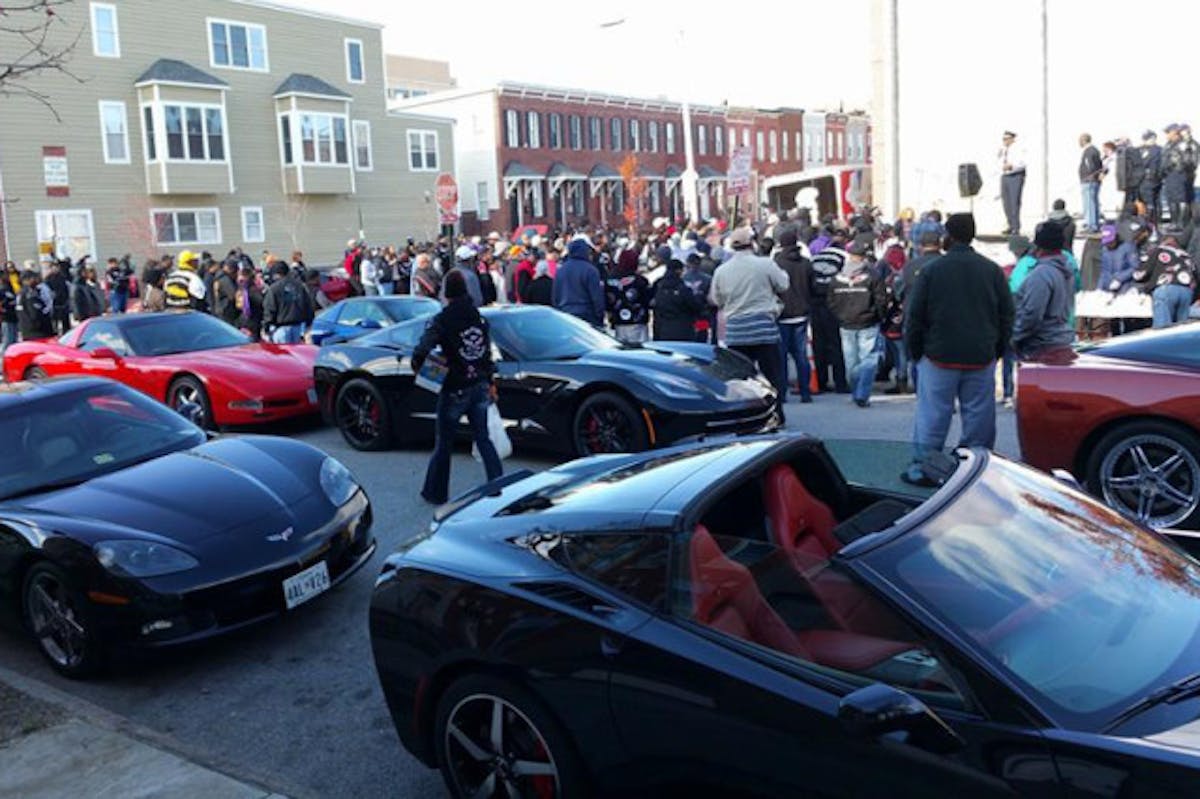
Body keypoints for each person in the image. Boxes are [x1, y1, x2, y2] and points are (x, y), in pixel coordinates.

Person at [903, 213, 1013, 486]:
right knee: (979, 417)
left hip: (939, 354)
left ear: (947, 237)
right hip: (980, 354)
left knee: (933, 415)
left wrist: (914, 351)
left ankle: (925, 468)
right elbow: (1007, 314)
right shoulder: (991, 270)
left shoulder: (932, 270)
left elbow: (915, 316)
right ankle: (976, 468)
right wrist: (996, 348)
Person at [411, 269, 503, 506]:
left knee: (444, 443)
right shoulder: (478, 317)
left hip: (455, 387)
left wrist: (426, 370)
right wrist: (491, 381)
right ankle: (499, 486)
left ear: (446, 293)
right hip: (480, 383)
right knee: (484, 438)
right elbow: (486, 354)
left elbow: (422, 350)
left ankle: (435, 493)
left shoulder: (442, 320)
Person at [709, 227, 789, 421]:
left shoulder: (722, 270)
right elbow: (784, 284)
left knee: (741, 378)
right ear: (752, 243)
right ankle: (775, 412)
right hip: (763, 326)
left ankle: (745, 415)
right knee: (772, 375)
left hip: (736, 328)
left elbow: (716, 299)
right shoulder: (764, 264)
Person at [828, 240, 886, 407]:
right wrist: (878, 316)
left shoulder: (837, 277)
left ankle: (856, 392)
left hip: (846, 323)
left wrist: (839, 315)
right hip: (868, 322)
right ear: (864, 258)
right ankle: (862, 393)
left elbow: (831, 300)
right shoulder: (873, 276)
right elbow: (881, 299)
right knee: (869, 360)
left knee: (851, 362)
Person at [1012, 223, 1077, 359]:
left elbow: (1032, 314)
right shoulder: (1067, 270)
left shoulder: (1041, 274)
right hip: (1062, 342)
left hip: (1041, 348)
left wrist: (1014, 337)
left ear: (1038, 246)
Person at [773, 226, 813, 403]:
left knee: (781, 357)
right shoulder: (805, 263)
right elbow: (813, 287)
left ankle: (782, 393)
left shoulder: (776, 263)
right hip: (802, 313)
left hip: (782, 314)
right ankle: (805, 392)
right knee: (801, 355)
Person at [1133, 225, 1197, 328]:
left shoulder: (1158, 251)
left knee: (1163, 332)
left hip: (1166, 290)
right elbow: (1195, 277)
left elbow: (1140, 275)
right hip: (1186, 293)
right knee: (1181, 332)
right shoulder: (1186, 255)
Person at [553, 235, 605, 327]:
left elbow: (555, 295)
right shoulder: (590, 270)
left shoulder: (560, 270)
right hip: (586, 315)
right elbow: (597, 296)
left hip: (566, 314)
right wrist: (599, 316)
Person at [651, 256, 705, 341]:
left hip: (661, 330)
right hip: (683, 330)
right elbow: (696, 308)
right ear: (679, 270)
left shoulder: (658, 285)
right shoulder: (683, 288)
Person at [606, 249, 652, 344]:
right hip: (637, 322)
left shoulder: (610, 280)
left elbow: (607, 300)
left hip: (617, 322)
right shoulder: (640, 281)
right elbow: (647, 300)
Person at [262, 261, 314, 343]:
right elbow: (308, 306)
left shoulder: (274, 288)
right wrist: (308, 325)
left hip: (280, 329)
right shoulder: (300, 286)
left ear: (276, 274)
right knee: (296, 354)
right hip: (298, 328)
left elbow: (270, 309)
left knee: (283, 354)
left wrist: (266, 328)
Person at [681, 249, 715, 343]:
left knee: (689, 339)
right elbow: (711, 297)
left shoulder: (682, 278)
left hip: (687, 314)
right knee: (701, 338)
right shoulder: (707, 279)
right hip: (702, 312)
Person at [1162, 124, 1192, 227]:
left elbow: (1188, 161)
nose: (1167, 135)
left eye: (1168, 132)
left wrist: (1177, 162)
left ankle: (1181, 223)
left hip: (1178, 174)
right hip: (1169, 175)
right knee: (1171, 198)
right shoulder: (1168, 144)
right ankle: (1174, 222)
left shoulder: (1182, 144)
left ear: (1175, 132)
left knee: (1179, 199)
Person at [998, 131, 1027, 234]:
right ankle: (1010, 224)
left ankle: (1016, 226)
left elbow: (1022, 163)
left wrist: (1012, 166)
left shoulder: (1019, 149)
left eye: (1006, 139)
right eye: (1003, 139)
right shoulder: (1003, 150)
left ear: (1012, 139)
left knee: (1014, 202)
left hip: (1015, 175)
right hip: (1004, 175)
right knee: (1006, 203)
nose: (1005, 141)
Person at [16, 269, 54, 341]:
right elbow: (35, 313)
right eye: (33, 278)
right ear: (26, 280)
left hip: (28, 330)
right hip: (36, 332)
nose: (35, 280)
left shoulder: (23, 293)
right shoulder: (28, 294)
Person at [1078, 133, 1104, 232]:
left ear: (1084, 141)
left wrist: (1088, 176)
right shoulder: (1095, 150)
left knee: (1089, 203)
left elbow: (1090, 166)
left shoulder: (1089, 151)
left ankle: (1091, 225)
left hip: (1088, 181)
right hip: (1093, 181)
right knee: (1093, 202)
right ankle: (1094, 223)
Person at [1137, 130, 1164, 224]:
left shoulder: (1157, 150)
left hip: (1150, 179)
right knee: (1152, 201)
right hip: (1147, 179)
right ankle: (1153, 220)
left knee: (1150, 201)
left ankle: (1151, 221)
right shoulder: (1142, 149)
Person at [236, 265, 265, 338]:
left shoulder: (252, 290)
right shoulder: (242, 289)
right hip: (244, 321)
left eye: (241, 276)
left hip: (252, 321)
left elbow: (260, 303)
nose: (239, 279)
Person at [210, 260, 240, 326]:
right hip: (225, 311)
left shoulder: (219, 277)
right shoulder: (225, 280)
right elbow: (233, 295)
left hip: (221, 309)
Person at [44, 260, 71, 334]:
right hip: (54, 304)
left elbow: (66, 289)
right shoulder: (48, 279)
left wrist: (67, 299)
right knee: (54, 324)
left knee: (65, 323)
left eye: (57, 267)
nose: (55, 269)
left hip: (63, 303)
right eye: (53, 267)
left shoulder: (63, 277)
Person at [1, 265, 19, 353]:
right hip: (6, 317)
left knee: (14, 338)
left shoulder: (9, 287)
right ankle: (5, 355)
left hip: (13, 315)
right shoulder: (2, 289)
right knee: (8, 338)